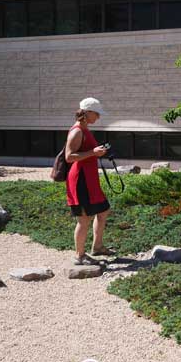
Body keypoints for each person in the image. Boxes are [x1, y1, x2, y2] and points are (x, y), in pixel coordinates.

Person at [65, 97, 112, 265]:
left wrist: (97, 152)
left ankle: (97, 247)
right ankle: (79, 255)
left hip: (90, 179)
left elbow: (87, 152)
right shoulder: (77, 131)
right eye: (97, 114)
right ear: (88, 113)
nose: (98, 117)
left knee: (104, 210)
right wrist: (93, 152)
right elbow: (69, 157)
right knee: (83, 219)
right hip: (80, 180)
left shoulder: (85, 129)